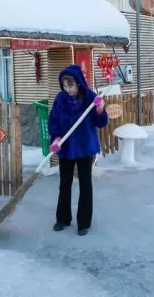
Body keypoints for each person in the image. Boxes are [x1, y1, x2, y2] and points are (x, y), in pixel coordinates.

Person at [48, 64, 108, 236]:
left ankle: (84, 223)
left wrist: (100, 109)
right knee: (64, 183)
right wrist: (57, 138)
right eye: (65, 86)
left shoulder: (90, 98)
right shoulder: (60, 99)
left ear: (79, 83)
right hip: (66, 147)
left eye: (71, 86)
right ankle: (62, 219)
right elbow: (54, 121)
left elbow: (101, 122)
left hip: (84, 146)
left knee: (85, 184)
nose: (68, 90)